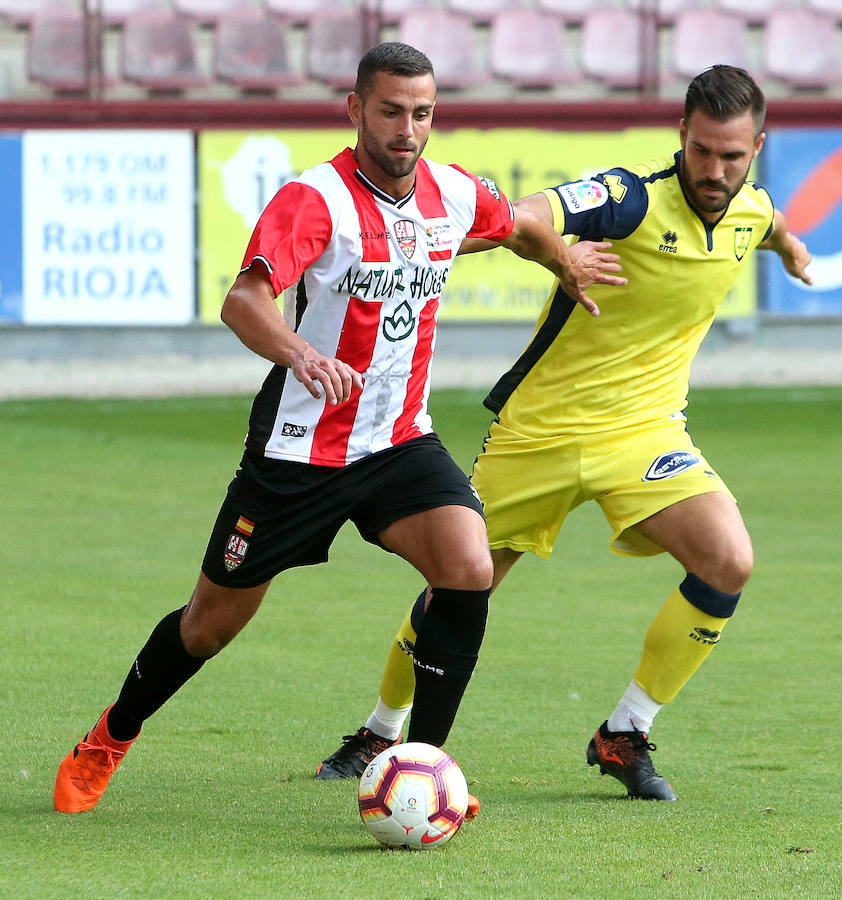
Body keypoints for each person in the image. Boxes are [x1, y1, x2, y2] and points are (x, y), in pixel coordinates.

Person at [52, 42, 623, 814]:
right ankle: (108, 738)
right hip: (299, 455)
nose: (407, 129)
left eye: (421, 113)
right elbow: (244, 301)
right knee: (208, 627)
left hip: (397, 442)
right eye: (390, 111)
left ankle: (427, 769)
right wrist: (300, 354)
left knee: (467, 566)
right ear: (355, 109)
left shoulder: (452, 194)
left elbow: (515, 223)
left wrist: (562, 261)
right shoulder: (314, 200)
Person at [314, 65, 813, 802]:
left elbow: (763, 225)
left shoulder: (750, 210)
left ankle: (625, 733)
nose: (715, 170)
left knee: (728, 559)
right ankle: (383, 730)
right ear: (681, 136)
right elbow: (524, 211)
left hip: (644, 435)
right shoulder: (628, 197)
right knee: (460, 584)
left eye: (733, 156)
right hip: (537, 435)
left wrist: (792, 247)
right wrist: (544, 248)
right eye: (702, 151)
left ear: (757, 149)